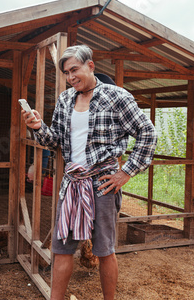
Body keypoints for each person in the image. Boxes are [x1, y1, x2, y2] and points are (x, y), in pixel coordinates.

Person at [21, 44, 157, 300]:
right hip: (72, 183)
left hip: (103, 185)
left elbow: (147, 133)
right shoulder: (65, 99)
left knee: (104, 250)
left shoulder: (117, 97)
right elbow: (56, 141)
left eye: (75, 70)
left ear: (90, 66)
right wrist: (38, 127)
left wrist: (125, 172)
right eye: (66, 73)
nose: (71, 77)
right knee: (61, 249)